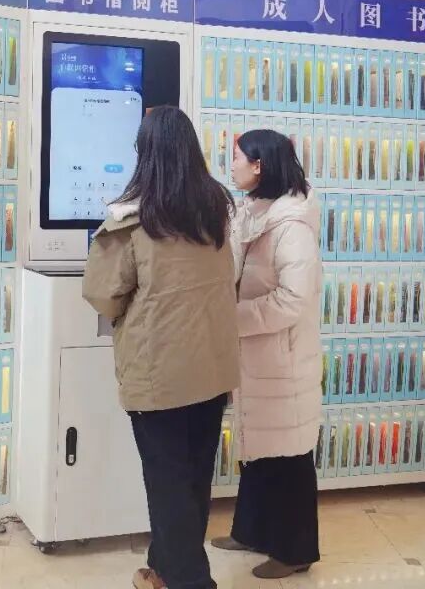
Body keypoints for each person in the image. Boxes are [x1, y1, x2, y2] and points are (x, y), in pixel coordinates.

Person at [83, 106, 241, 589]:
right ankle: (164, 570)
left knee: (167, 483)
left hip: (160, 375)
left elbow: (102, 294)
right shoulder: (216, 210)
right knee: (192, 478)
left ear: (145, 154)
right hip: (213, 369)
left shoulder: (132, 221)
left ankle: (192, 582)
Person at [211, 128, 322, 580]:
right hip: (259, 357)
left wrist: (234, 318)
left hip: (282, 360)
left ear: (259, 166)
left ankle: (296, 551)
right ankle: (252, 531)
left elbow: (293, 300)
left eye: (237, 157)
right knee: (258, 449)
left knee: (289, 456)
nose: (231, 165)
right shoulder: (253, 211)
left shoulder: (291, 225)